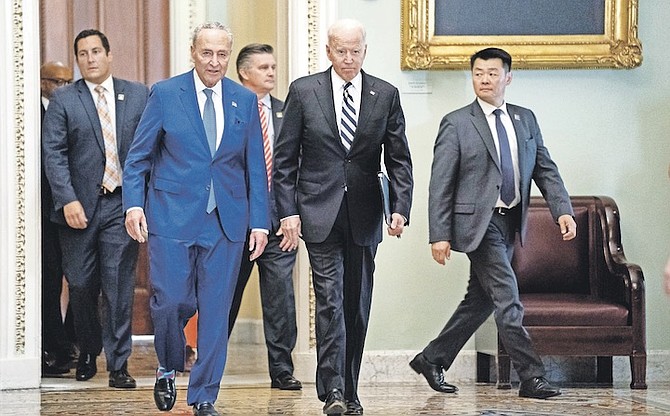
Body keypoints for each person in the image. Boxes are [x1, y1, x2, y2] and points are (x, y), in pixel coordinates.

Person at [411, 47, 576, 400]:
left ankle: (432, 358)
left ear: (508, 77)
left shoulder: (525, 119)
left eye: (492, 73)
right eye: (478, 73)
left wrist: (562, 209)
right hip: (477, 225)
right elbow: (441, 182)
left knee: (480, 300)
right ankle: (532, 377)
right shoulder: (457, 122)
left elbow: (544, 168)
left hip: (511, 223)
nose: (485, 79)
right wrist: (438, 234)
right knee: (507, 297)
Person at [123, 22, 270, 416]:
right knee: (171, 301)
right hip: (171, 216)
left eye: (222, 54)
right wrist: (133, 205)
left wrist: (260, 222)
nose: (215, 62)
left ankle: (204, 396)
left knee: (216, 310)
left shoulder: (244, 99)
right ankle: (168, 366)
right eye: (207, 53)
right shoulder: (166, 94)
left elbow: (255, 167)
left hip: (226, 221)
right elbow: (137, 159)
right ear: (193, 52)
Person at [273, 19, 413, 415]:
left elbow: (399, 158)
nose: (348, 59)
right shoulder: (304, 91)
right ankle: (332, 390)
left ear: (364, 50)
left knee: (356, 303)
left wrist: (400, 207)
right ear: (328, 51)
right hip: (318, 213)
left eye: (356, 51)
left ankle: (350, 391)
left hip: (366, 213)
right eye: (341, 51)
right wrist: (288, 213)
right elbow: (284, 161)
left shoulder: (385, 94)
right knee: (330, 301)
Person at [42, 30, 149, 388]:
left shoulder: (137, 95)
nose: (89, 58)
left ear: (109, 54)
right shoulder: (64, 100)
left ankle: (118, 364)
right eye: (82, 53)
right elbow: (53, 154)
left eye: (96, 51)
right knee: (82, 284)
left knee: (119, 287)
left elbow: (149, 148)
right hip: (78, 209)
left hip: (122, 205)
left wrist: (144, 200)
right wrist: (67, 199)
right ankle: (88, 350)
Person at [227, 43, 302, 392]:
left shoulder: (286, 112)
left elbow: (298, 168)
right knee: (223, 295)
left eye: (273, 67)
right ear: (244, 72)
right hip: (233, 224)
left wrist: (293, 214)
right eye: (263, 68)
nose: (271, 73)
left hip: (277, 224)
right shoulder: (226, 109)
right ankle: (208, 361)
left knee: (280, 300)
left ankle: (282, 370)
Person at [40, 61, 76, 376]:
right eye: (56, 81)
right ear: (41, 82)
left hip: (75, 210)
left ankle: (71, 343)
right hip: (41, 215)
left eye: (68, 81)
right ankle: (53, 347)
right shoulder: (30, 114)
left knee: (81, 280)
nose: (62, 87)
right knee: (49, 281)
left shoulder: (74, 111)